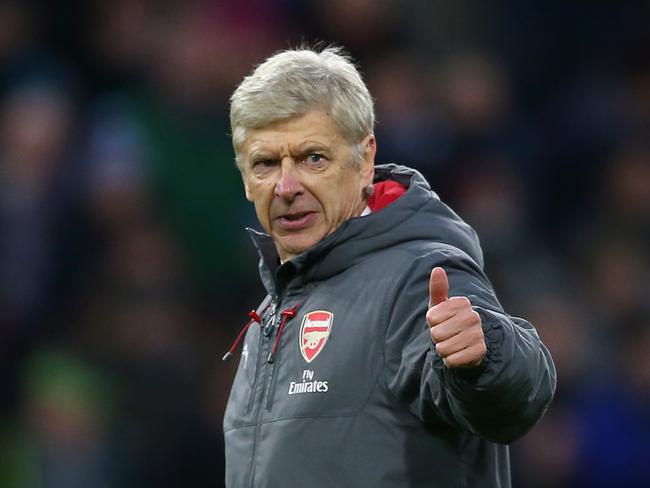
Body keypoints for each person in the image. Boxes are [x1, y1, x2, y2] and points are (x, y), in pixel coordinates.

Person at [222, 46, 556, 488]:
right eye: (266, 164)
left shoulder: (420, 276)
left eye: (313, 158)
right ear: (246, 180)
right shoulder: (270, 313)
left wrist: (486, 357)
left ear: (365, 160)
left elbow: (509, 398)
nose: (286, 186)